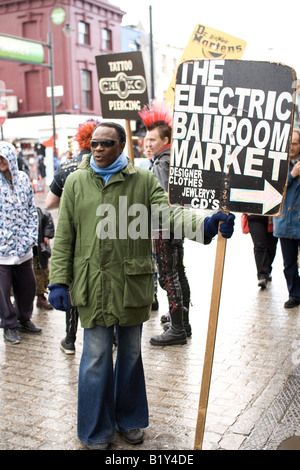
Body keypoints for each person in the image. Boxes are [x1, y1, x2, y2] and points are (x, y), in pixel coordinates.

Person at [48, 121, 235, 450]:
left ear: (122, 145)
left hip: (131, 284)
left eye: (106, 143)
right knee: (95, 356)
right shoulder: (76, 183)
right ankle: (95, 430)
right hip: (91, 285)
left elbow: (167, 215)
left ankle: (130, 420)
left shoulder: (143, 180)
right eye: (94, 144)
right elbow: (64, 236)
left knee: (131, 354)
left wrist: (205, 224)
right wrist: (59, 280)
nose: (99, 149)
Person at [139, 100, 192, 345]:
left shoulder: (162, 162)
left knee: (168, 276)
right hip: (177, 224)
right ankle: (182, 322)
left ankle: (178, 329)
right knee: (178, 273)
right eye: (146, 139)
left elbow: (159, 197)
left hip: (163, 227)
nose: (147, 144)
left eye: (152, 140)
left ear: (166, 139)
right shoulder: (175, 158)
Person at [46, 119, 99, 354]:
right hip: (101, 233)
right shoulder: (106, 162)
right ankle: (114, 336)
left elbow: (49, 202)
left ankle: (69, 339)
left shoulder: (67, 166)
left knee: (73, 287)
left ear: (79, 140)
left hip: (74, 235)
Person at [0, 141, 42, 344]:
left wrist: (31, 235)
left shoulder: (24, 179)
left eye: (3, 158)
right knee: (2, 291)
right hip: (1, 249)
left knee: (28, 287)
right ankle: (9, 325)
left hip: (23, 244)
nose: (1, 162)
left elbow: (31, 209)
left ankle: (24, 318)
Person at [273, 129, 300, 308]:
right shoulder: (278, 164)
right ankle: (295, 294)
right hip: (285, 222)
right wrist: (292, 175)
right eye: (289, 144)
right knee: (289, 263)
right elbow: (274, 190)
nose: (291, 147)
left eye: (295, 144)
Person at [247, 215, 278, 289]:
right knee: (259, 245)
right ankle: (262, 275)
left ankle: (267, 269)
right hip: (255, 215)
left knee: (271, 247)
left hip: (273, 216)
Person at [33, 207, 55, 309]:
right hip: (22, 253)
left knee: (42, 275)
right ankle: (18, 301)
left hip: (39, 252)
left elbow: (48, 221)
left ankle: (41, 297)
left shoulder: (40, 212)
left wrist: (47, 235)